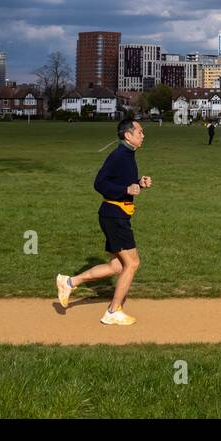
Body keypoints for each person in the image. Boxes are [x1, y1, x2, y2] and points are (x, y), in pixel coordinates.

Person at [56, 118, 150, 325]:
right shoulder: (118, 156)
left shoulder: (128, 155)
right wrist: (126, 190)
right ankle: (112, 311)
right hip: (114, 215)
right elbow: (99, 183)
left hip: (116, 215)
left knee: (117, 266)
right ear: (128, 135)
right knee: (133, 263)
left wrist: (138, 185)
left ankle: (69, 282)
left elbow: (123, 184)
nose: (143, 135)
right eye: (140, 132)